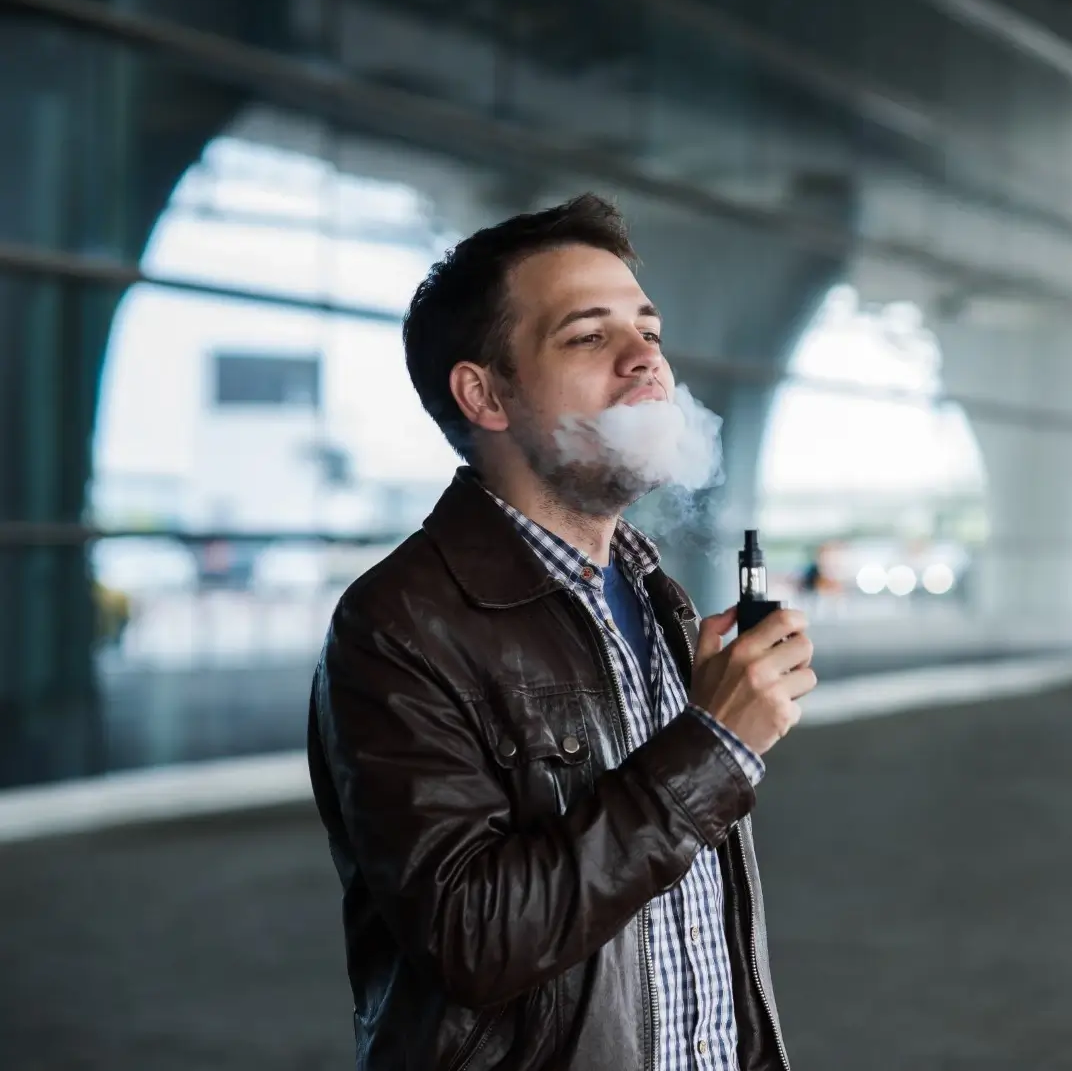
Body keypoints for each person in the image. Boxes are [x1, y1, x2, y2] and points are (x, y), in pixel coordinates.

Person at [307, 194, 815, 1071]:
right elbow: (474, 940)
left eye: (647, 330)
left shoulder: (657, 596)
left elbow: (675, 904)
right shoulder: (398, 624)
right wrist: (715, 744)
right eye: (588, 337)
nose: (645, 360)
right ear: (485, 393)